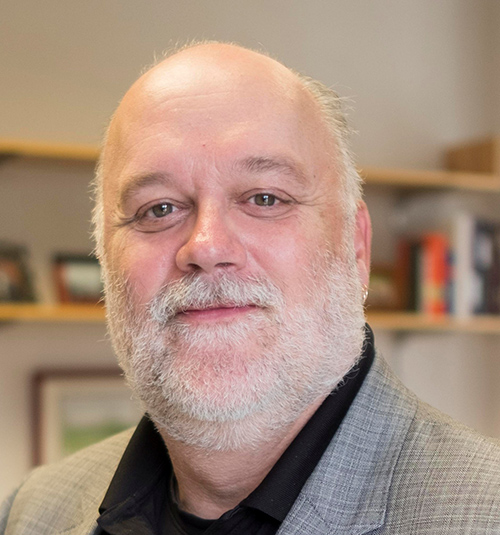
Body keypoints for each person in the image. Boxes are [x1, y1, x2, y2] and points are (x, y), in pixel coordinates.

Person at [1, 42, 500, 535]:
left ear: (355, 245)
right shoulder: (31, 512)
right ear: (104, 260)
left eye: (265, 198)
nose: (207, 246)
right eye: (159, 208)